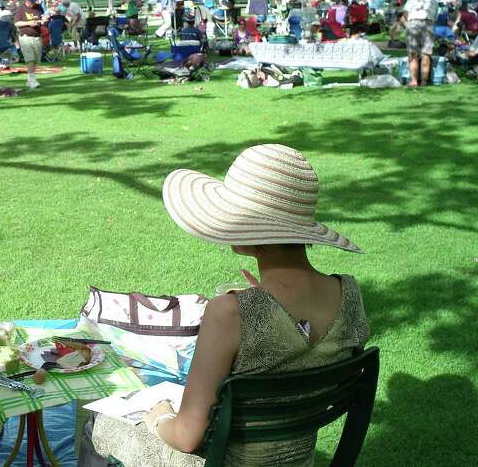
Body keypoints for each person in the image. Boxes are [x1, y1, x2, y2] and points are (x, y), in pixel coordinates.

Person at [80, 144, 369, 467]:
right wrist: (268, 301)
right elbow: (302, 356)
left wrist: (161, 418)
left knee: (99, 424)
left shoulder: (229, 313)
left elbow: (187, 437)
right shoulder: (350, 296)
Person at [402, 0, 438, 87]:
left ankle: (414, 81)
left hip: (413, 22)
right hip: (428, 23)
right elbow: (434, 19)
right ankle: (424, 82)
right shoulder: (434, 1)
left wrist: (409, 23)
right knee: (426, 54)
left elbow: (405, 13)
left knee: (413, 54)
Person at [14, 0, 45, 89]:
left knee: (36, 59)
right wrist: (29, 23)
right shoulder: (20, 9)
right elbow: (17, 23)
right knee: (30, 59)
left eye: (33, 0)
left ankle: (29, 78)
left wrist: (43, 20)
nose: (32, 2)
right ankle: (32, 80)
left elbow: (42, 17)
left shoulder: (38, 7)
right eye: (31, 0)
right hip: (25, 38)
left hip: (37, 37)